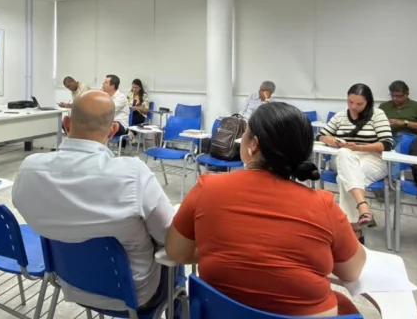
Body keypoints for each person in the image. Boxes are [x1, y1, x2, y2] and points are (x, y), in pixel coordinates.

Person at [165, 102, 365, 317]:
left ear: (254, 145)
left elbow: (176, 251)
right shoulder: (323, 205)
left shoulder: (207, 189)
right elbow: (352, 271)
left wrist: (221, 254)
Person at [12, 90, 175, 311]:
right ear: (113, 130)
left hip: (70, 284)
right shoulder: (132, 174)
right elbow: (168, 236)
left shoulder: (30, 169)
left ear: (66, 123)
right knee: (176, 255)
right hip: (133, 294)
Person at [317, 84, 392, 243]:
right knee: (345, 154)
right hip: (344, 158)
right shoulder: (340, 116)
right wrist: (329, 139)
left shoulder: (378, 115)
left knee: (346, 179)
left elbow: (386, 144)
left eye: (359, 104)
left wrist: (358, 147)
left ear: (368, 102)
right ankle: (363, 206)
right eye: (350, 102)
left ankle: (353, 230)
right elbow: (320, 136)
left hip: (372, 158)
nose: (353, 106)